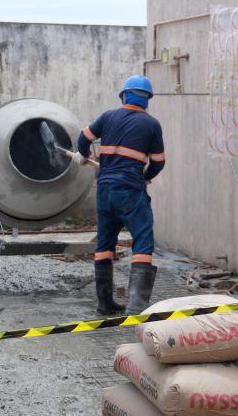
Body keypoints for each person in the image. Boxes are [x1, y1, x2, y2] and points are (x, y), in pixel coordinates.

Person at [75, 75, 165, 316]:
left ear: (124, 95)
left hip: (104, 190)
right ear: (147, 100)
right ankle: (136, 305)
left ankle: (105, 304)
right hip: (131, 190)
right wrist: (145, 176)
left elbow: (83, 139)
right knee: (143, 240)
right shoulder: (151, 124)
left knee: (104, 244)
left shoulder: (107, 117)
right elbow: (158, 162)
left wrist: (86, 154)